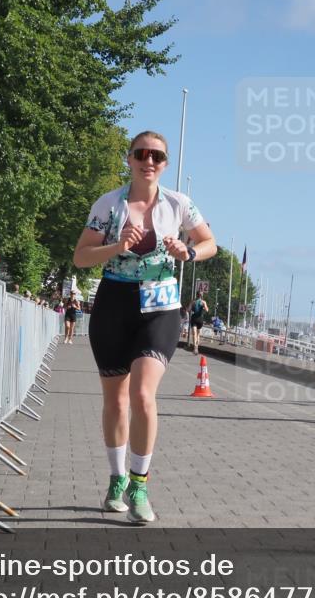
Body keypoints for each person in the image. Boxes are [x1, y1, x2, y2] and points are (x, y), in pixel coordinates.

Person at [73, 130, 216, 524]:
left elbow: (209, 243)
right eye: (141, 154)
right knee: (116, 400)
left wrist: (188, 251)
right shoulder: (109, 204)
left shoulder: (179, 204)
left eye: (157, 156)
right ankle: (116, 479)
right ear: (130, 159)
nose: (148, 161)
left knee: (142, 394)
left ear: (165, 163)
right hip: (115, 303)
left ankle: (140, 484)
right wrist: (116, 246)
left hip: (161, 305)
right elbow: (81, 257)